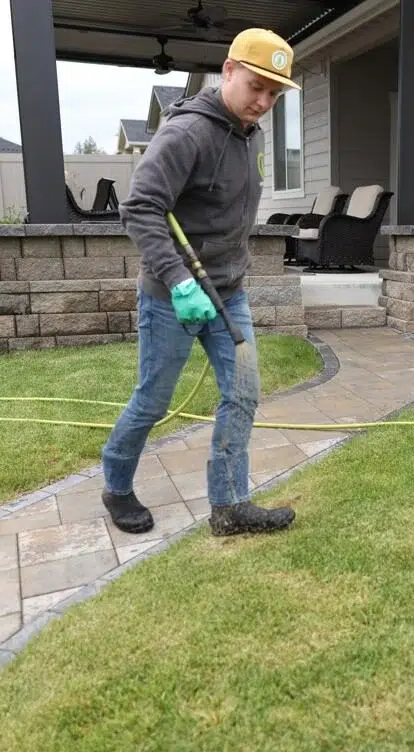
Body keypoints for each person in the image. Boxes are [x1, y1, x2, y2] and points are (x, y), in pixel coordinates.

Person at [99, 28, 301, 537]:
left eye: (274, 94)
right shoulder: (187, 133)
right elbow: (141, 207)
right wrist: (178, 280)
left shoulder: (247, 135)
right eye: (257, 86)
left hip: (229, 293)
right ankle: (117, 485)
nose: (263, 101)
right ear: (228, 71)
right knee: (154, 400)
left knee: (243, 393)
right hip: (174, 297)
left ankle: (229, 506)